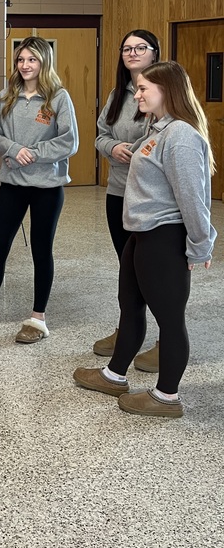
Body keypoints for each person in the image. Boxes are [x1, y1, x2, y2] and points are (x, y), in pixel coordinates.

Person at [74, 61, 215, 418]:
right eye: (137, 88)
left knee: (169, 319)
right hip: (142, 237)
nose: (135, 95)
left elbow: (193, 197)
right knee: (130, 304)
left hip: (164, 239)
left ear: (166, 91)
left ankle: (167, 397)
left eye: (143, 89)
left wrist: (201, 244)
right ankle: (114, 375)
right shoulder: (157, 130)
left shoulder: (181, 135)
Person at [0, 35, 78, 343]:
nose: (25, 65)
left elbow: (69, 141)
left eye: (31, 60)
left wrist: (34, 152)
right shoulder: (5, 96)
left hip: (47, 188)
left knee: (41, 250)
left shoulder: (58, 97)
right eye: (20, 60)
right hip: (12, 184)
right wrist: (14, 148)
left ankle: (37, 319)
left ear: (44, 62)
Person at [93, 29, 161, 369]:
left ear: (154, 54)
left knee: (152, 272)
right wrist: (112, 147)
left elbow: (160, 139)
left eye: (140, 48)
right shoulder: (117, 95)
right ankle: (128, 330)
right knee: (126, 269)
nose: (132, 53)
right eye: (126, 48)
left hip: (148, 197)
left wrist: (131, 150)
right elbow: (100, 134)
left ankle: (168, 340)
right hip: (117, 191)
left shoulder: (161, 92)